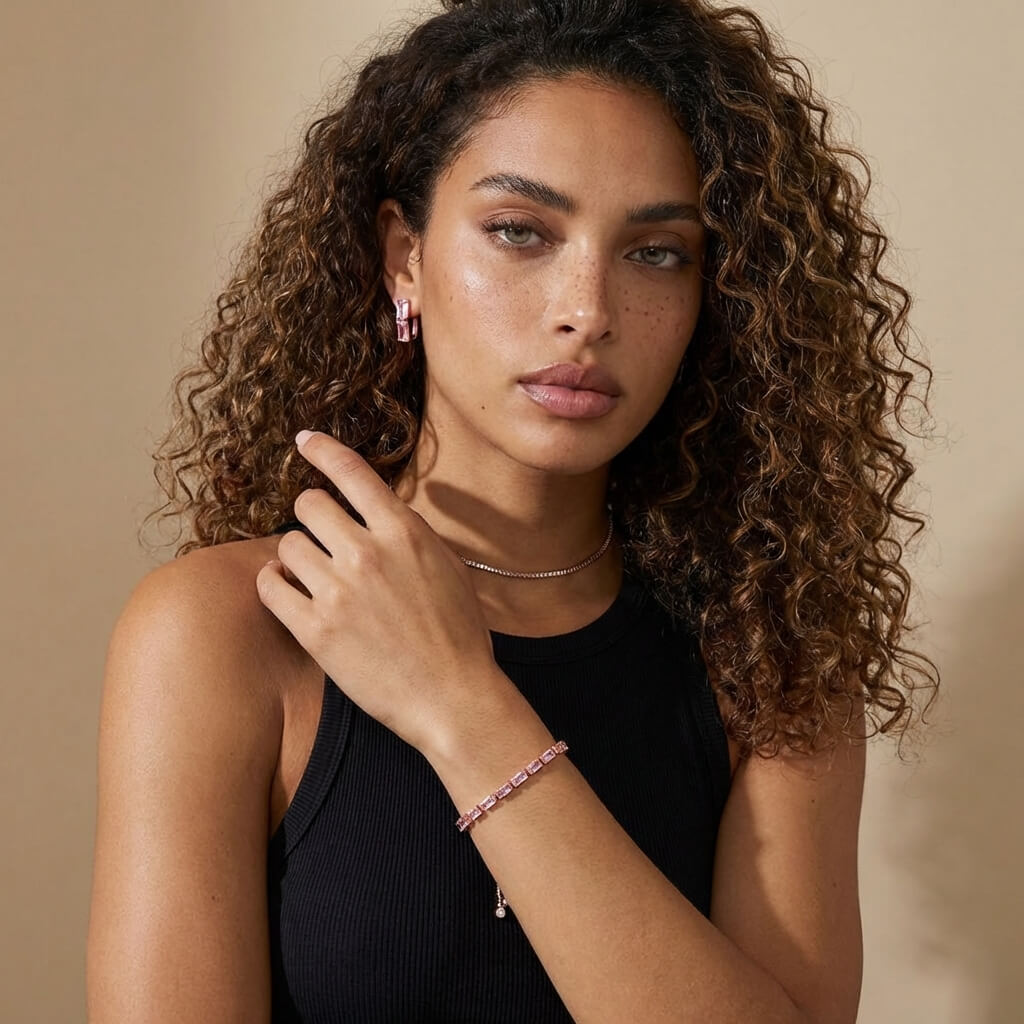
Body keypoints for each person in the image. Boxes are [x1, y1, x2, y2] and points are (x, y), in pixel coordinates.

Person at [86, 0, 940, 1021]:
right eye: (519, 232)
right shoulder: (225, 629)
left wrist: (462, 707)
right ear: (404, 257)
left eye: (657, 251)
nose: (587, 309)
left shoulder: (772, 655)